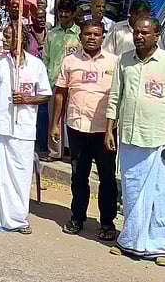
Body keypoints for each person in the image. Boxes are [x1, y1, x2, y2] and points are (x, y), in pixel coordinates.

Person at [106, 17, 165, 267]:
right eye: (136, 33)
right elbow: (115, 96)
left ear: (157, 33)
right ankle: (129, 241)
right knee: (131, 192)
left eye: (145, 32)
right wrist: (109, 129)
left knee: (160, 193)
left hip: (159, 139)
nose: (139, 36)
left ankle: (161, 245)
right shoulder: (124, 60)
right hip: (130, 137)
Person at [0, 23, 52, 233]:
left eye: (10, 37)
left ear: (22, 39)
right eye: (5, 36)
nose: (6, 40)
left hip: (25, 128)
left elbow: (45, 94)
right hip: (2, 126)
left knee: (21, 175)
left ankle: (18, 219)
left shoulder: (37, 65)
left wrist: (27, 99)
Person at [51, 20, 119, 240]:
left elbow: (119, 97)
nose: (92, 38)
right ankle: (77, 217)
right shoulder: (70, 62)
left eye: (96, 34)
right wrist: (55, 123)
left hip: (104, 131)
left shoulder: (114, 62)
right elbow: (61, 93)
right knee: (79, 176)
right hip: (77, 128)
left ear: (103, 37)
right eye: (88, 34)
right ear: (80, 36)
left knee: (107, 178)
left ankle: (107, 223)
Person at [43, 0, 80, 161]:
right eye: (61, 12)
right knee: (54, 118)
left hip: (74, 84)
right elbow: (45, 58)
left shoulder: (80, 34)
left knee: (73, 118)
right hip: (54, 82)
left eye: (67, 12)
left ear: (73, 14)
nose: (63, 15)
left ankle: (74, 152)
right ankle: (54, 152)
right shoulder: (52, 34)